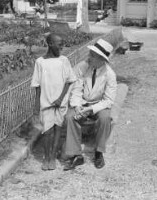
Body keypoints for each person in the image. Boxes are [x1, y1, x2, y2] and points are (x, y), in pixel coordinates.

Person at [63, 38, 117, 171]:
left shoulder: (109, 74)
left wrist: (91, 109)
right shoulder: (83, 66)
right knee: (71, 117)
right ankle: (76, 155)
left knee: (105, 118)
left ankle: (99, 152)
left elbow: (109, 100)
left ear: (101, 59)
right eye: (90, 54)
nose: (89, 57)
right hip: (82, 102)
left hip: (99, 104)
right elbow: (76, 88)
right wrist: (77, 106)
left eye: (92, 56)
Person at [31, 33, 77, 171]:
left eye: (62, 44)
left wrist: (60, 99)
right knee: (47, 131)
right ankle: (46, 156)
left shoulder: (64, 60)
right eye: (59, 44)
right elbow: (37, 85)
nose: (62, 46)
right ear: (50, 44)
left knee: (57, 129)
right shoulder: (40, 62)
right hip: (46, 103)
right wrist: (36, 105)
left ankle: (52, 157)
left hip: (60, 103)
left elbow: (69, 81)